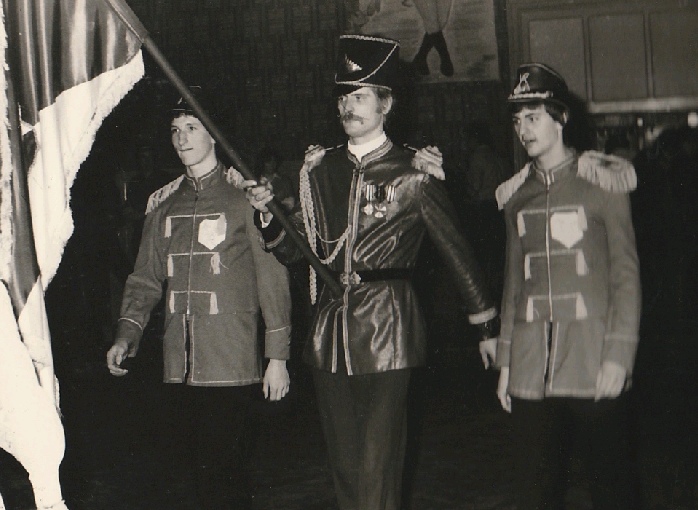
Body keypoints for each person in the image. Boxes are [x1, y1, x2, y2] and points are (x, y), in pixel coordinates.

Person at [244, 34, 499, 510]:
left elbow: (457, 251)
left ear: (386, 104)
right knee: (344, 463)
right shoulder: (319, 171)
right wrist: (268, 217)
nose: (348, 106)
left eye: (359, 96)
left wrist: (485, 326)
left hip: (389, 331)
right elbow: (298, 251)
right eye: (343, 98)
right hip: (330, 335)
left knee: (378, 462)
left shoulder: (413, 173)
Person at [105, 87, 292, 510]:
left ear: (214, 135)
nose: (181, 138)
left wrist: (277, 356)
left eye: (192, 127)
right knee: (194, 476)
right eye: (175, 130)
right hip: (178, 364)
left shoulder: (245, 199)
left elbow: (272, 279)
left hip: (231, 362)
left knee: (226, 476)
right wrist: (126, 335)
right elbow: (145, 279)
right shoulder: (162, 205)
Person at [494, 63, 641, 509]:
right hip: (530, 365)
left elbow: (625, 276)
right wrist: (506, 364)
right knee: (533, 490)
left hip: (592, 358)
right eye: (517, 121)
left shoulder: (603, 183)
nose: (523, 130)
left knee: (610, 487)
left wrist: (618, 356)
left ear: (560, 118)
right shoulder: (516, 196)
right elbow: (513, 286)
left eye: (533, 117)